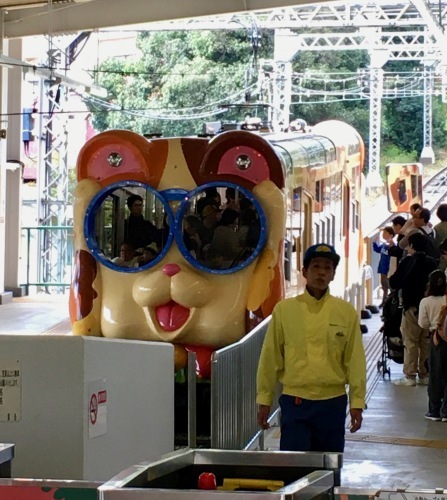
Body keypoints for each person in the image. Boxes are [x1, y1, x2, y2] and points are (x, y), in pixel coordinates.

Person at [256, 243, 366, 452]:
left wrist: (357, 402)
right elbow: (270, 358)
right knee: (295, 469)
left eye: (327, 267)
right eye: (316, 266)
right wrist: (264, 398)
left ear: (333, 274)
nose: (321, 272)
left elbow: (355, 360)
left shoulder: (345, 312)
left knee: (328, 468)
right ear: (305, 271)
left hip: (332, 404)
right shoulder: (285, 310)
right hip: (295, 402)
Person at [389, 233, 438, 386]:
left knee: (410, 341)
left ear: (411, 246)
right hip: (429, 308)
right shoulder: (432, 263)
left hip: (411, 307)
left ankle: (410, 376)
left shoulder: (408, 262)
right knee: (425, 342)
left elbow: (395, 282)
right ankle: (424, 374)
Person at [418, 270, 447, 421]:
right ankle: (446, 411)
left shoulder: (426, 302)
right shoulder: (446, 300)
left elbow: (423, 323)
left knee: (435, 374)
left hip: (436, 339)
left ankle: (434, 410)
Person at [372, 226, 395, 307]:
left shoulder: (392, 245)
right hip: (382, 268)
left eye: (385, 233)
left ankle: (390, 301)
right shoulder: (384, 245)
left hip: (388, 269)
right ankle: (384, 301)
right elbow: (377, 249)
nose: (383, 234)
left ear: (391, 235)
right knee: (383, 286)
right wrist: (374, 243)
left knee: (389, 285)